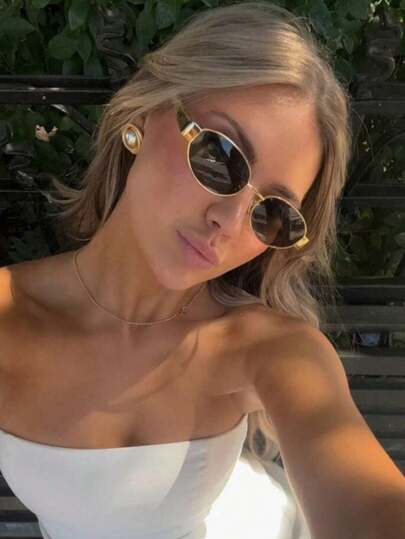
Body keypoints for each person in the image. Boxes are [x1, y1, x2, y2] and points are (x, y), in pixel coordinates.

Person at [2, 2, 389, 538]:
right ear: (143, 116)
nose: (229, 222)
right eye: (220, 157)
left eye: (273, 212)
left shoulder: (267, 347)